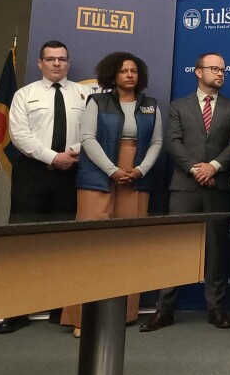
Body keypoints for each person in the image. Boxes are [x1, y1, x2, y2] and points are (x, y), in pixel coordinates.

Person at [61, 52, 163, 337]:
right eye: (123, 71)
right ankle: (83, 317)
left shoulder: (150, 105)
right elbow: (88, 139)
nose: (129, 75)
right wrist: (112, 170)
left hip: (136, 178)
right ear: (112, 75)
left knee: (127, 247)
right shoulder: (97, 101)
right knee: (91, 246)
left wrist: (140, 169)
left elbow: (157, 142)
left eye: (133, 71)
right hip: (99, 175)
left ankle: (124, 314)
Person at [140, 53, 230, 332]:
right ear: (198, 72)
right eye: (214, 69)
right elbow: (172, 141)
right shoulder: (178, 106)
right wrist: (196, 169)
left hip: (217, 186)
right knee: (175, 247)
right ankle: (164, 309)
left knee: (216, 249)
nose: (220, 73)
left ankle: (216, 308)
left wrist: (214, 167)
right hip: (184, 185)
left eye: (223, 69)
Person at [0, 40, 88, 334]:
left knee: (63, 240)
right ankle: (16, 310)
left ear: (68, 62)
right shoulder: (25, 94)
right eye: (50, 59)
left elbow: (90, 131)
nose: (57, 64)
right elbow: (19, 135)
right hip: (32, 173)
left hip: (71, 172)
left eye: (62, 59)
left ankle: (60, 307)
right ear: (40, 63)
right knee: (25, 240)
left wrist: (69, 155)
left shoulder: (84, 93)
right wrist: (52, 157)